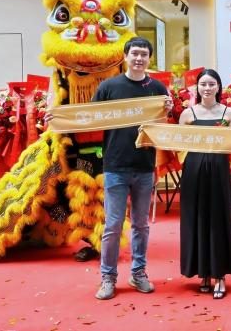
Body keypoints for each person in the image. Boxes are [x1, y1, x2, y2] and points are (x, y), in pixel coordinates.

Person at [92, 36, 172, 300]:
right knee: (113, 225)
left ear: (149, 59)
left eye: (144, 54)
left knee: (140, 225)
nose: (139, 58)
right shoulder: (108, 87)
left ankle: (138, 273)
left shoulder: (157, 88)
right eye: (135, 53)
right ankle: (108, 277)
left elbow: (161, 127)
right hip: (115, 166)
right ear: (125, 56)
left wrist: (168, 111)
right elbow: (89, 118)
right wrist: (58, 119)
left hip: (144, 167)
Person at [179, 68, 231, 299]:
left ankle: (219, 275)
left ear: (218, 87)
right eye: (203, 84)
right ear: (197, 87)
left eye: (211, 84)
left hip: (219, 170)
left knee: (218, 219)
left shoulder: (229, 113)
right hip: (193, 171)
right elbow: (180, 144)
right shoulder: (187, 114)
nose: (207, 88)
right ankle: (203, 272)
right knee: (197, 218)